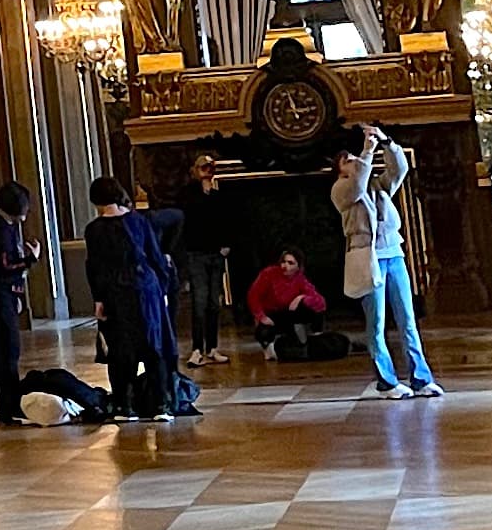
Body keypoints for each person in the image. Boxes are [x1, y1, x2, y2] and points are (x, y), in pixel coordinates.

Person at [0, 174, 113, 424]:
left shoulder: (4, 226)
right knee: (7, 351)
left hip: (1, 294)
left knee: (7, 350)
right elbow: (3, 266)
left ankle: (8, 400)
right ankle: (7, 402)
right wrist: (31, 258)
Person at [333, 124, 439, 397]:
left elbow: (399, 170)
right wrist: (367, 151)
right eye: (348, 159)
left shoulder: (378, 186)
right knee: (377, 322)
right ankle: (387, 381)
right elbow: (357, 184)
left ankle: (421, 378)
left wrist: (387, 142)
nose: (355, 159)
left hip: (394, 254)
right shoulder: (341, 190)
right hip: (369, 259)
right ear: (340, 169)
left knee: (408, 318)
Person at [84, 176, 182, 421]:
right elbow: (155, 256)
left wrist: (98, 299)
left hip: (115, 292)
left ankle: (123, 407)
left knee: (120, 350)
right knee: (153, 346)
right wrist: (164, 288)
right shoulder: (139, 221)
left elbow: (94, 267)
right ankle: (161, 405)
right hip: (145, 289)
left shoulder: (94, 230)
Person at [176, 152, 236, 374]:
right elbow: (190, 220)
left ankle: (212, 347)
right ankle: (197, 348)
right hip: (196, 254)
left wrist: (226, 243)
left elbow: (226, 220)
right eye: (203, 167)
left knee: (214, 303)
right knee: (199, 303)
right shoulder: (188, 195)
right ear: (195, 170)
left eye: (210, 167)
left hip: (215, 253)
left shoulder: (219, 195)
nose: (207, 171)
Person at [247, 245, 328, 363]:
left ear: (298, 266)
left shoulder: (299, 278)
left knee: (313, 309)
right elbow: (253, 295)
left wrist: (301, 297)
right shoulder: (269, 273)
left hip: (288, 314)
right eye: (284, 262)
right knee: (264, 332)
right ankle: (268, 347)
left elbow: (320, 302)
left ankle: (316, 341)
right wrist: (261, 316)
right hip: (272, 314)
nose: (285, 266)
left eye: (290, 263)